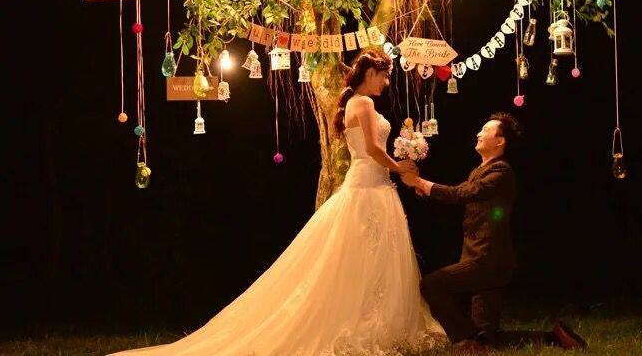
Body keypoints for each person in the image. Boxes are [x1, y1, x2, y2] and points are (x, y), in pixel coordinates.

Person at [110, 51, 443, 355]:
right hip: (369, 187)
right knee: (365, 258)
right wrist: (399, 166)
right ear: (370, 73)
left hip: (370, 185)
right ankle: (368, 323)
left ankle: (374, 320)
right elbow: (371, 148)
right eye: (384, 76)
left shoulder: (354, 103)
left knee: (366, 260)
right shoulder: (365, 104)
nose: (386, 82)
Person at [401, 113, 587, 352]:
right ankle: (555, 337)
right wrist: (423, 187)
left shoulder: (501, 172)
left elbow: (462, 194)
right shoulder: (480, 170)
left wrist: (420, 183)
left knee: (431, 285)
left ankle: (467, 340)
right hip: (477, 256)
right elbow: (461, 193)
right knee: (490, 338)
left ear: (500, 141)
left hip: (488, 260)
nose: (479, 133)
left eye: (486, 130)